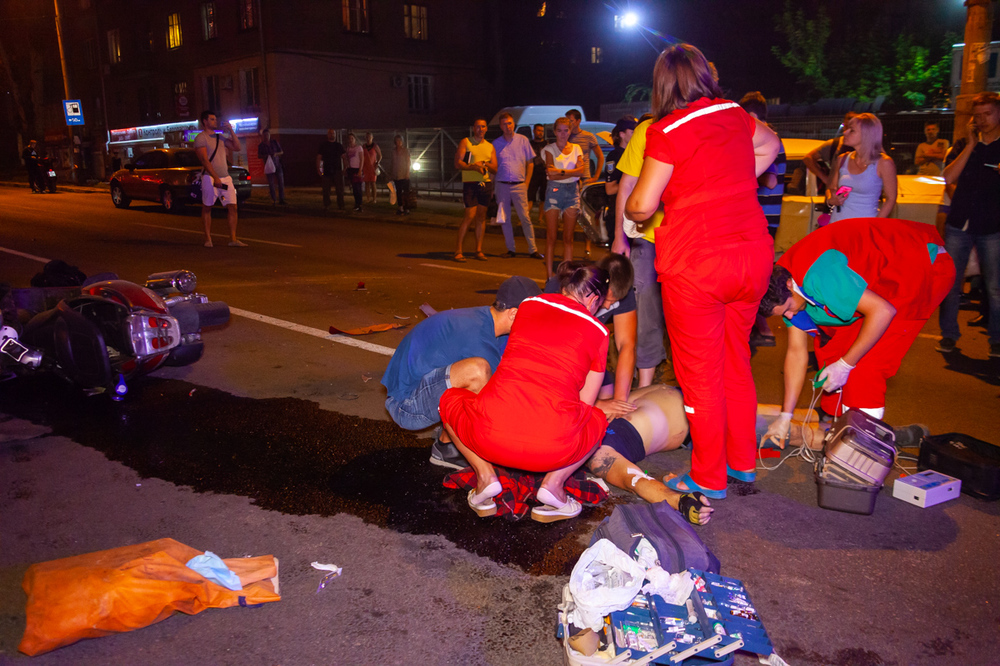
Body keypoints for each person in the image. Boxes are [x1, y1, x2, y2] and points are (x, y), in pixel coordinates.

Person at [625, 43, 780, 499]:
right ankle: (742, 464)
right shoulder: (734, 114)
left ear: (662, 84)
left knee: (700, 376)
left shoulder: (666, 130)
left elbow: (643, 204)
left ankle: (708, 477)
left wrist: (634, 210)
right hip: (751, 256)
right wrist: (737, 179)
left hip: (698, 263)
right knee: (736, 362)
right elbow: (771, 144)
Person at [758, 218, 955, 446]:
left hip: (921, 264)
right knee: (832, 352)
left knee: (864, 365)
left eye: (788, 309)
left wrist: (846, 365)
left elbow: (882, 311)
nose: (790, 317)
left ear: (790, 285)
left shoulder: (821, 275)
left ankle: (862, 446)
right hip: (879, 276)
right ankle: (838, 423)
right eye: (783, 314)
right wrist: (786, 415)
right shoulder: (781, 283)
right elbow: (796, 352)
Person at [439, 265, 612, 522]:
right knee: (596, 419)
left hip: (490, 435)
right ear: (593, 298)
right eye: (601, 304)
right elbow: (584, 404)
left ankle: (485, 476)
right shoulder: (598, 331)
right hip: (551, 450)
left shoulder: (529, 304)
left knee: (448, 399)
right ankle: (554, 485)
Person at [381, 276, 541, 470]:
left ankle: (448, 445)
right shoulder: (476, 336)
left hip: (425, 388)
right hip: (405, 406)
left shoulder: (490, 322)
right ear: (514, 313)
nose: (535, 323)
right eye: (533, 316)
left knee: (493, 377)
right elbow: (500, 401)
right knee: (478, 373)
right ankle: (458, 450)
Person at [584, 384, 713, 525]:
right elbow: (635, 481)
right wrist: (680, 501)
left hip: (683, 388)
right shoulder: (598, 455)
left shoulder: (582, 410)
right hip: (700, 414)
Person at [937, 91, 1000, 358]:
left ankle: (996, 339)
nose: (982, 120)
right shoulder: (964, 144)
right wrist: (971, 145)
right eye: (978, 115)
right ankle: (949, 334)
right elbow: (948, 177)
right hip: (959, 224)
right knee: (951, 283)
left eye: (988, 114)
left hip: (992, 226)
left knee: (994, 286)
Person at [545, 255, 637, 417]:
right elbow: (552, 350)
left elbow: (626, 345)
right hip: (556, 356)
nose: (607, 306)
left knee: (607, 393)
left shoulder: (621, 288)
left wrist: (620, 402)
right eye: (606, 299)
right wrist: (596, 404)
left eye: (614, 302)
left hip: (586, 353)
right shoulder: (567, 284)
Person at [614, 113, 667, 390]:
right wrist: (619, 236)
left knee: (687, 315)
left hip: (689, 239)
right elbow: (627, 185)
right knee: (645, 310)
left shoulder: (700, 126)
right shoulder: (646, 130)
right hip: (648, 237)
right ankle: (645, 386)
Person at [739, 91, 786, 348]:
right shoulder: (767, 138)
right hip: (762, 217)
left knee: (754, 276)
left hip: (763, 217)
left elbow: (770, 180)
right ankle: (759, 328)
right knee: (752, 275)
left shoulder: (767, 139)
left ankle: (764, 329)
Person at [825, 113, 897, 223]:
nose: (845, 132)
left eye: (852, 130)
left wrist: (874, 225)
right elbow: (831, 188)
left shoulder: (884, 163)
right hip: (838, 223)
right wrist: (831, 199)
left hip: (865, 225)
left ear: (866, 135)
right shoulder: (842, 159)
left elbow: (891, 199)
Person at [492, 112, 543, 259]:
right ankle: (510, 249)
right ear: (500, 126)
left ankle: (533, 249)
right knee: (505, 218)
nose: (508, 126)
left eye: (510, 123)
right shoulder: (496, 144)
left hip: (519, 185)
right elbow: (493, 167)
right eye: (504, 124)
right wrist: (492, 186)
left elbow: (530, 163)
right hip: (502, 185)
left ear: (513, 124)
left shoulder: (523, 140)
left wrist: (526, 183)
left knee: (525, 218)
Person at [542, 117, 588, 278]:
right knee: (551, 237)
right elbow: (550, 173)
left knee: (568, 238)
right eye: (559, 130)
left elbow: (581, 171)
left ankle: (567, 278)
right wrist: (571, 172)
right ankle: (549, 278)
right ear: (555, 132)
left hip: (572, 192)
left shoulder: (576, 148)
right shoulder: (549, 149)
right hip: (554, 192)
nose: (562, 134)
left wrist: (560, 172)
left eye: (566, 130)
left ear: (570, 131)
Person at [194, 110, 246, 248]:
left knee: (233, 206)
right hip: (209, 177)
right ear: (205, 121)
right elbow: (204, 160)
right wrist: (215, 177)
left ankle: (233, 239)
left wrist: (231, 131)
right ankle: (208, 238)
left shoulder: (220, 137)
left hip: (225, 177)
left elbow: (237, 147)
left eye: (215, 119)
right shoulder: (201, 138)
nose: (215, 121)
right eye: (212, 119)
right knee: (207, 207)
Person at [454, 118, 497, 262]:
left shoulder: (490, 146)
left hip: (485, 184)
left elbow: (495, 168)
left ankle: (478, 250)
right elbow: (458, 163)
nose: (480, 129)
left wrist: (484, 164)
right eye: (478, 127)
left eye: (483, 127)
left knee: (481, 217)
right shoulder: (466, 142)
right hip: (470, 183)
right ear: (474, 128)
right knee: (469, 216)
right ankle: (458, 250)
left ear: (486, 129)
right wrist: (473, 167)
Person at [566, 108, 605, 258]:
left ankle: (587, 247)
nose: (569, 123)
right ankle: (568, 248)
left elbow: (600, 156)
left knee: (585, 215)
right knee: (570, 214)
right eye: (567, 121)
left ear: (578, 121)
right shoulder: (565, 136)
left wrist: (596, 176)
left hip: (584, 179)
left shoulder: (588, 136)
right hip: (568, 179)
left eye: (571, 121)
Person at [803, 112, 857, 188]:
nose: (846, 131)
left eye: (851, 129)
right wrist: (825, 178)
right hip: (836, 190)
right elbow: (808, 158)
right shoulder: (834, 144)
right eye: (846, 127)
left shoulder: (865, 147)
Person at [604, 117, 636, 244]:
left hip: (631, 213)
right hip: (618, 215)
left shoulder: (633, 154)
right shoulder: (616, 156)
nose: (636, 135)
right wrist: (633, 183)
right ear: (622, 134)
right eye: (632, 132)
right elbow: (610, 189)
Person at [317, 129, 346, 211]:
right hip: (326, 171)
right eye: (330, 133)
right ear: (327, 135)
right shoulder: (323, 145)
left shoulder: (338, 146)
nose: (332, 135)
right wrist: (320, 169)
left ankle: (341, 205)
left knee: (339, 189)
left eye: (333, 133)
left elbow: (344, 157)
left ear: (335, 135)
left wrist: (345, 168)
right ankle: (326, 205)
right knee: (326, 190)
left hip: (337, 171)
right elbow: (319, 158)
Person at [527, 124, 549, 224]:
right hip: (533, 173)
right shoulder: (529, 144)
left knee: (543, 197)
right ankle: (526, 218)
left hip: (544, 173)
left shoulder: (547, 144)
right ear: (534, 131)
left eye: (542, 131)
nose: (540, 133)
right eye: (538, 130)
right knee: (529, 196)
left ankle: (540, 218)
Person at [257, 129, 286, 205]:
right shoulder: (261, 146)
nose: (266, 137)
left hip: (277, 165)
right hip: (268, 166)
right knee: (271, 183)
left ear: (269, 135)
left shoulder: (274, 143)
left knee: (281, 182)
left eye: (267, 135)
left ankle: (281, 199)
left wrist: (275, 154)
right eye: (265, 135)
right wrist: (265, 156)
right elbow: (259, 155)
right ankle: (274, 199)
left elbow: (281, 152)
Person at [388, 135, 411, 216]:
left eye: (400, 141)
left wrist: (407, 172)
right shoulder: (393, 151)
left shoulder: (405, 151)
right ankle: (400, 207)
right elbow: (392, 162)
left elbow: (408, 162)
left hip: (404, 174)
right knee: (398, 191)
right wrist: (391, 173)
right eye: (397, 141)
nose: (398, 142)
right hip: (396, 174)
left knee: (406, 192)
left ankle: (406, 207)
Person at [344, 133, 364, 211]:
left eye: (352, 138)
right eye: (349, 138)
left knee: (358, 187)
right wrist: (346, 168)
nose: (351, 140)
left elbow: (362, 159)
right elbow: (347, 159)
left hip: (357, 169)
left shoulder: (359, 148)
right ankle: (356, 204)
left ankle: (360, 204)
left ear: (355, 139)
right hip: (351, 169)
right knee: (354, 188)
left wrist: (360, 170)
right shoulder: (348, 149)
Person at [362, 132, 381, 204]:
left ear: (372, 138)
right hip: (365, 166)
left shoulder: (375, 146)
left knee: (373, 183)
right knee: (366, 183)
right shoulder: (363, 146)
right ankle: (368, 198)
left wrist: (377, 163)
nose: (368, 138)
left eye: (369, 137)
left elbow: (380, 155)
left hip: (373, 166)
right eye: (367, 137)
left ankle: (374, 199)